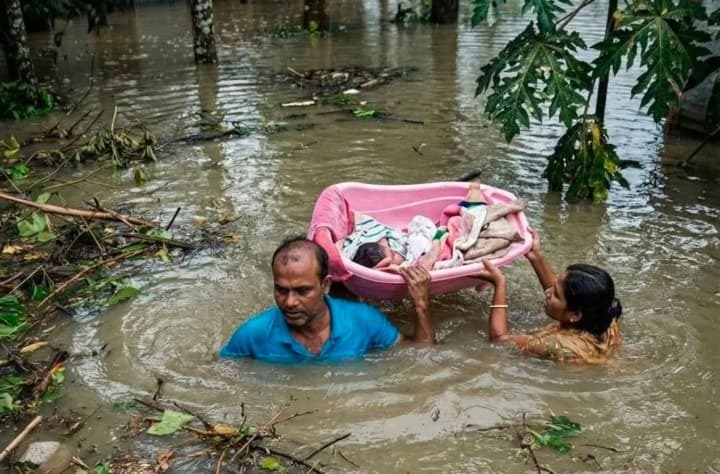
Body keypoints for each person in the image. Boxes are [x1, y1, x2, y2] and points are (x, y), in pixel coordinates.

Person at [218, 237, 435, 363]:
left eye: (302, 291)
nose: (290, 302)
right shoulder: (252, 334)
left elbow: (419, 353)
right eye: (282, 290)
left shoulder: (364, 320)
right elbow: (219, 375)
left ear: (325, 285)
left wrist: (421, 304)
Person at [474, 228, 623, 363]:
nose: (547, 292)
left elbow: (500, 340)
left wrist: (499, 283)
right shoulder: (604, 316)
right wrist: (536, 256)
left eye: (555, 294)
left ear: (576, 315)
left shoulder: (557, 345)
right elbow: (565, 294)